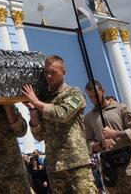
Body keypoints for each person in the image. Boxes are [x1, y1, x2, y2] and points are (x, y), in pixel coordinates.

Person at [21, 55, 96, 194]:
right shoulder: (43, 100)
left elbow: (62, 114)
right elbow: (39, 135)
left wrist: (36, 102)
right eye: (46, 72)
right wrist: (33, 109)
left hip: (76, 163)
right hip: (55, 166)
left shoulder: (75, 93)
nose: (48, 76)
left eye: (53, 72)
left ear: (64, 73)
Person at [84, 81, 131, 194]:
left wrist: (115, 133)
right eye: (91, 97)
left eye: (96, 95)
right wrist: (100, 145)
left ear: (103, 91)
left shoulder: (122, 109)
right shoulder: (89, 118)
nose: (94, 99)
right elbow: (87, 143)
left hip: (129, 164)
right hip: (109, 168)